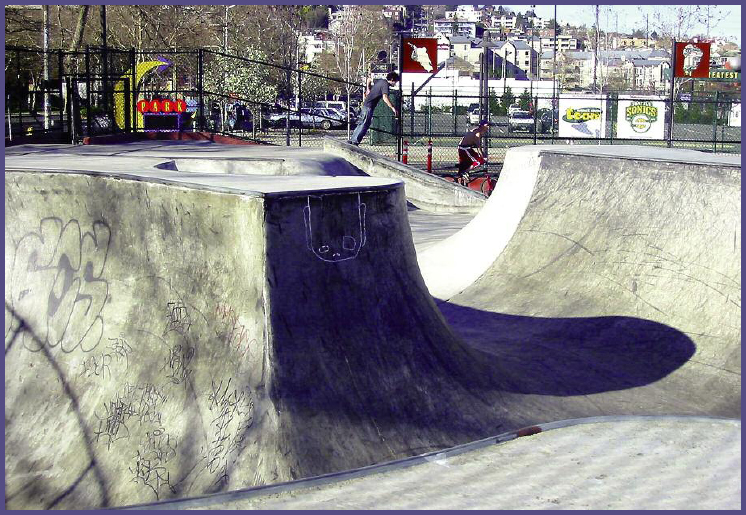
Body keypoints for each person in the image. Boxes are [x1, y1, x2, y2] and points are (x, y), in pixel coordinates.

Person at [349, 71, 399, 146]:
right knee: (364, 124)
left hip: (367, 105)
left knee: (363, 123)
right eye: (395, 82)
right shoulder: (385, 84)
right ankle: (354, 142)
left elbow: (369, 79)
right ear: (392, 79)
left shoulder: (380, 81)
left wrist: (368, 89)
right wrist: (393, 108)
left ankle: (352, 140)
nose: (395, 84)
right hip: (369, 106)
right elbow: (385, 97)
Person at [457, 120, 493, 185]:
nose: (488, 127)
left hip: (467, 148)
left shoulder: (477, 131)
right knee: (479, 161)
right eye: (487, 125)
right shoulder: (477, 133)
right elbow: (478, 146)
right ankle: (464, 172)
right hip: (464, 148)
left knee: (472, 162)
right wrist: (482, 156)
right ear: (482, 126)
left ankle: (464, 175)